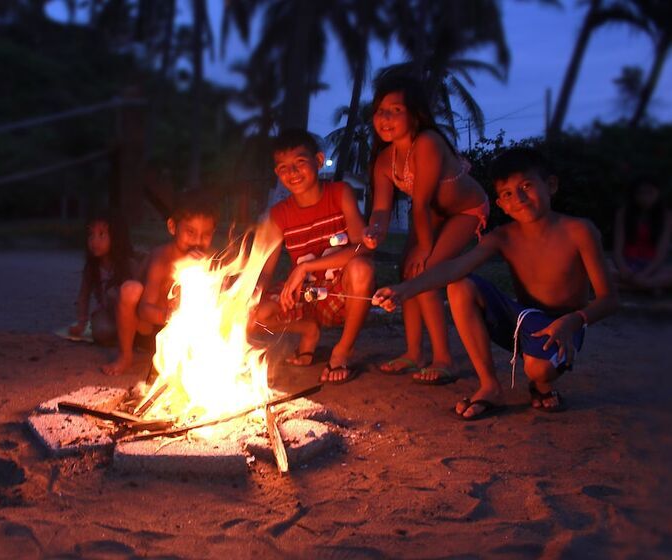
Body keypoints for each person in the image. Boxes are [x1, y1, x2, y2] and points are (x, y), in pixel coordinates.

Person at [373, 147, 618, 420]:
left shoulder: (580, 231)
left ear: (550, 185)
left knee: (538, 369)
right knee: (459, 285)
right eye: (508, 193)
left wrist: (573, 321)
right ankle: (490, 386)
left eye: (527, 185)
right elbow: (455, 267)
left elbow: (609, 300)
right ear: (501, 204)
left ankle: (541, 384)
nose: (520, 198)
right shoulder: (504, 236)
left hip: (565, 324)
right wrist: (404, 290)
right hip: (523, 320)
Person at [362, 74, 490, 385]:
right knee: (407, 272)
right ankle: (413, 352)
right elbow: (380, 209)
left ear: (415, 112)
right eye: (380, 110)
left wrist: (423, 248)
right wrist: (375, 230)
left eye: (396, 110)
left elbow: (418, 205)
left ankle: (444, 358)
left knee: (426, 274)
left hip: (465, 210)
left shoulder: (428, 143)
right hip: (433, 212)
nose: (386, 118)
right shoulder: (383, 160)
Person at [254, 128, 375, 384]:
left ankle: (342, 350)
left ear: (318, 161)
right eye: (284, 167)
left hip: (340, 294)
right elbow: (265, 271)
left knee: (362, 268)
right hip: (303, 298)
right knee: (253, 313)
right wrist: (247, 297)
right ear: (277, 173)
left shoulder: (340, 194)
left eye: (300, 162)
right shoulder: (279, 215)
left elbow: (361, 247)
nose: (292, 173)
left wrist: (305, 268)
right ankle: (308, 331)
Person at [101, 197, 218, 376]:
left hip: (170, 330)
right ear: (172, 227)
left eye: (206, 234)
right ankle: (125, 356)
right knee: (130, 290)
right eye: (190, 232)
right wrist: (172, 316)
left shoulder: (207, 259)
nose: (197, 241)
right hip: (143, 326)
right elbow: (144, 310)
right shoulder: (162, 259)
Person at [69, 214, 132, 344]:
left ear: (116, 237)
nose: (94, 241)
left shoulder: (129, 264)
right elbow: (83, 296)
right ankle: (122, 334)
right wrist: (81, 323)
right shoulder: (92, 268)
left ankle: (127, 333)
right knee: (102, 332)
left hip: (128, 314)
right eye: (91, 235)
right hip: (105, 312)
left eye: (101, 235)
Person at [612, 177, 672, 291]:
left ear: (658, 193)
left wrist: (644, 274)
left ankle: (632, 285)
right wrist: (623, 269)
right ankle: (647, 286)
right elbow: (617, 250)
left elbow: (661, 253)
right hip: (627, 263)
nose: (645, 197)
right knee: (601, 269)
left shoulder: (666, 216)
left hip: (652, 266)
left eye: (650, 192)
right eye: (641, 193)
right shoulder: (623, 213)